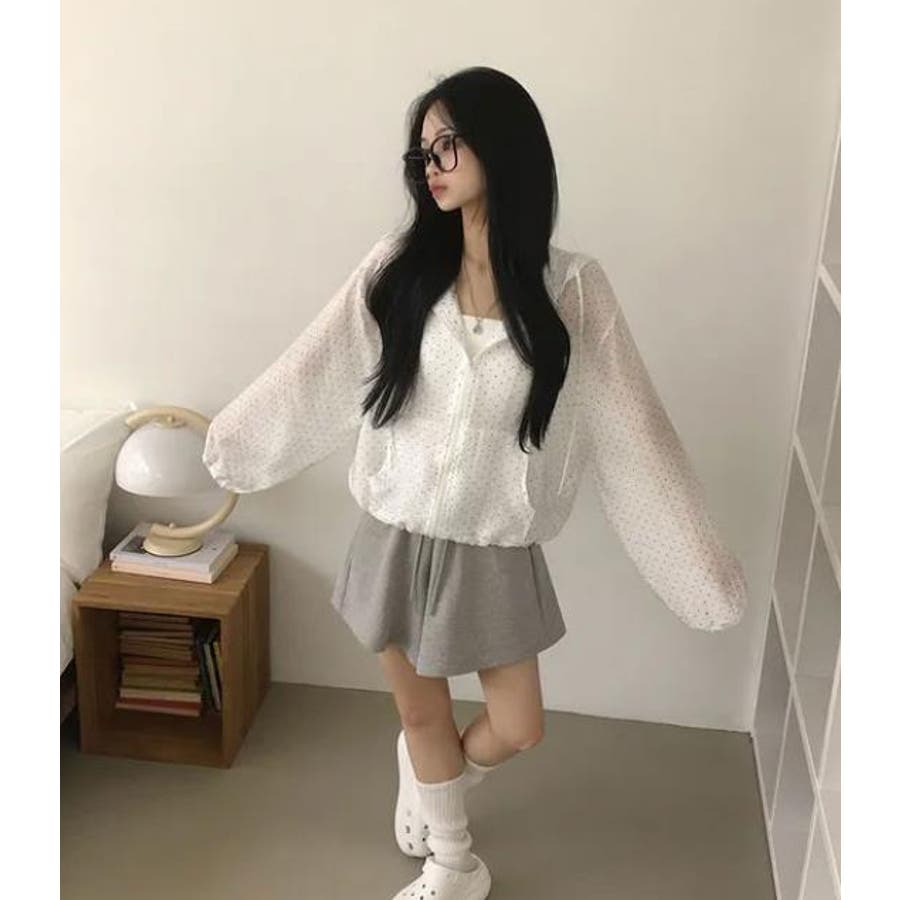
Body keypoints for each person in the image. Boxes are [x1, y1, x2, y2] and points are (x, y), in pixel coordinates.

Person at [202, 66, 748, 900]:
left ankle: (433, 779)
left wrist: (700, 570)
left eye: (449, 143)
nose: (431, 164)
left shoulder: (572, 291)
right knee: (422, 713)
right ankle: (453, 864)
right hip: (396, 534)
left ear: (504, 144)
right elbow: (317, 368)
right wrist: (238, 445)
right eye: (422, 150)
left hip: (494, 546)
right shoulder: (398, 269)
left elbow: (634, 429)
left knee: (519, 726)